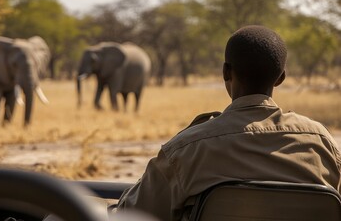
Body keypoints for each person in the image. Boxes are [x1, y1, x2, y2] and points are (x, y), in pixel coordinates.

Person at [116, 25, 341, 221]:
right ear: (281, 77)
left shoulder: (188, 149)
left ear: (225, 72)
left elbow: (131, 214)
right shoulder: (321, 143)